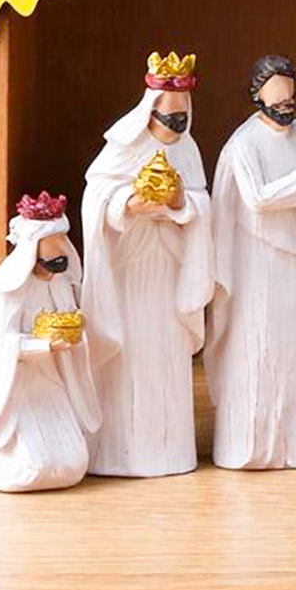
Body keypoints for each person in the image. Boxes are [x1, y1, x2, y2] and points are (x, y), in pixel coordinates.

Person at [206, 54, 296, 469]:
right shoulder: (243, 145)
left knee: (292, 351)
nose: (286, 107)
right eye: (277, 100)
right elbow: (257, 198)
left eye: (290, 99)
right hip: (254, 262)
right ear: (258, 97)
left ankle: (292, 446)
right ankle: (248, 446)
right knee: (256, 347)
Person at [81, 51, 214, 477]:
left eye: (181, 119)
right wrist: (128, 203)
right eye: (167, 119)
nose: (174, 128)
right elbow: (95, 197)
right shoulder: (123, 146)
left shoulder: (188, 150)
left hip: (168, 269)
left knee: (165, 359)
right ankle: (118, 451)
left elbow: (202, 203)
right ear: (149, 112)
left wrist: (180, 202)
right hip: (129, 269)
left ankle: (169, 450)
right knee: (128, 361)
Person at [0, 191, 100, 493]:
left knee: (72, 463)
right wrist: (43, 345)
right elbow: (1, 344)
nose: (61, 250)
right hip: (20, 387)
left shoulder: (60, 285)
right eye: (52, 244)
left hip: (51, 384)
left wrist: (73, 333)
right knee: (34, 465)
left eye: (62, 242)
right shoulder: (12, 290)